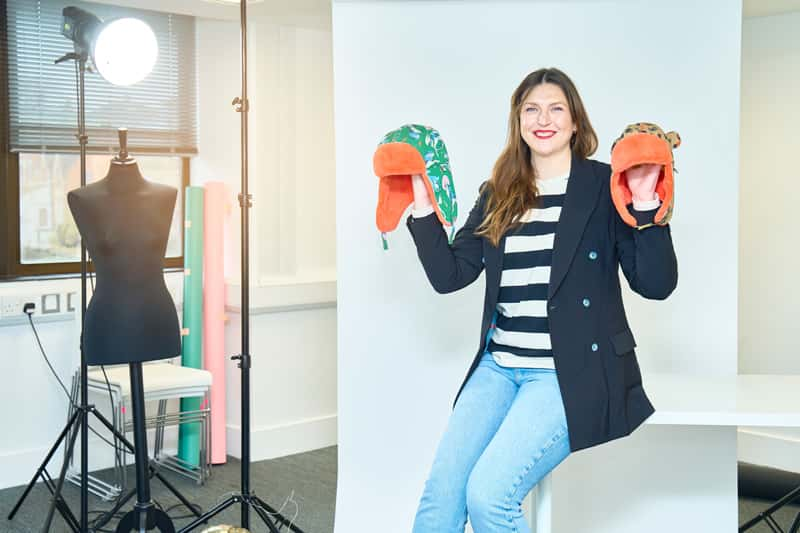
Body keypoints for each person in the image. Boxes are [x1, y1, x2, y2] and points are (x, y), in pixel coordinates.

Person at [405, 67, 678, 533]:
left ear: (575, 123)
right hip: (498, 367)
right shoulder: (498, 193)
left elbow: (655, 285)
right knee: (442, 497)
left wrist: (646, 205)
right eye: (531, 109)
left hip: (567, 373)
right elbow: (451, 276)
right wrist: (423, 208)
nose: (543, 118)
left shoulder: (602, 187)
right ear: (518, 122)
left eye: (556, 108)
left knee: (489, 498)